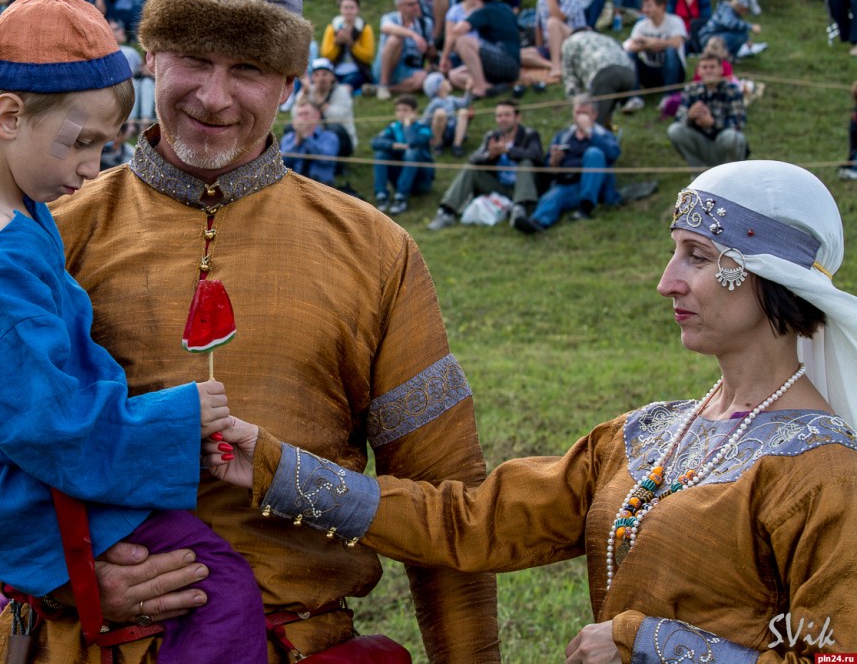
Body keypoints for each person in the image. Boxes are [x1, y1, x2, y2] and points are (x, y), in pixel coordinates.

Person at [0, 0, 500, 663]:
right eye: (193, 59)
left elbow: (448, 497)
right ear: (151, 58)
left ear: (289, 84)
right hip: (74, 642)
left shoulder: (375, 251)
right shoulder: (39, 225)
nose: (214, 96)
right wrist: (65, 572)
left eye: (247, 69)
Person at [215, 158, 857, 664]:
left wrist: (644, 642)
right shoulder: (649, 433)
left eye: (698, 255)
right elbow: (472, 524)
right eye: (674, 251)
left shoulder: (826, 473)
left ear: (764, 273)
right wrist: (284, 473)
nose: (668, 280)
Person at [0, 0, 267, 664]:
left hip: (40, 464)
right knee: (223, 588)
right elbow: (52, 425)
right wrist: (180, 421)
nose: (93, 167)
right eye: (82, 143)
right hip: (30, 487)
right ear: (9, 115)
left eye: (104, 145)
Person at [426, 99, 541, 230]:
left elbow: (536, 155)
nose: (502, 119)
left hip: (522, 188)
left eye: (507, 115)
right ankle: (446, 212)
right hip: (499, 186)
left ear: (517, 117)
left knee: (526, 162)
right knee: (472, 168)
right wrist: (490, 156)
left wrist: (508, 151)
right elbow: (474, 158)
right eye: (499, 116)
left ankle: (520, 210)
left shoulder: (529, 134)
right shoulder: (492, 136)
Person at [512, 96, 620, 232]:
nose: (580, 117)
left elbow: (613, 154)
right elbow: (548, 168)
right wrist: (554, 161)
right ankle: (536, 222)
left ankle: (585, 208)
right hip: (571, 182)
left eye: (584, 113)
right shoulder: (563, 136)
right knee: (553, 197)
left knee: (593, 153)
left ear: (594, 115)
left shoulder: (602, 134)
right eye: (577, 113)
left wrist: (590, 133)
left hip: (597, 184)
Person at [668, 51, 746, 169]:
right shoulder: (691, 90)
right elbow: (679, 118)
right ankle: (698, 173)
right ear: (699, 71)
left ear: (720, 69)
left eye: (712, 67)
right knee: (674, 130)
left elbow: (738, 124)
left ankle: (730, 173)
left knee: (733, 137)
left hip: (724, 143)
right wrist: (690, 116)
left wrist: (712, 123)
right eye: (704, 67)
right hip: (701, 142)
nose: (708, 71)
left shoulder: (732, 90)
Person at [445, 0, 521, 98]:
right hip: (508, 64)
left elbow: (458, 30)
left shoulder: (485, 11)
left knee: (463, 41)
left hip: (506, 62)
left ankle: (480, 89)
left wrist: (444, 57)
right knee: (454, 75)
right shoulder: (506, 8)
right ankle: (491, 87)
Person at [622, 0, 687, 111]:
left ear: (661, 6)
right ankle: (634, 97)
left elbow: (676, 43)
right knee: (629, 55)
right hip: (650, 71)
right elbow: (630, 46)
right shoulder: (641, 25)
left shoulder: (675, 21)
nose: (645, 9)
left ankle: (669, 95)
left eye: (649, 6)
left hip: (674, 72)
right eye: (644, 6)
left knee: (671, 51)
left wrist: (647, 41)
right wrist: (650, 44)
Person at [372, 93, 434, 214]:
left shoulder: (424, 128)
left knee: (412, 152)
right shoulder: (393, 127)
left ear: (415, 112)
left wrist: (407, 126)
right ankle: (381, 195)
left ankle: (401, 197)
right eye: (398, 110)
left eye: (405, 110)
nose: (401, 113)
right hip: (398, 176)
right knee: (381, 154)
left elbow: (412, 142)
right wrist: (392, 145)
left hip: (421, 180)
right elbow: (375, 142)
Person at [559, 27, 635, 128]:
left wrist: (577, 103)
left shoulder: (569, 42)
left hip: (605, 73)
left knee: (594, 122)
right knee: (606, 115)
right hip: (630, 74)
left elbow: (569, 78)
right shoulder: (606, 37)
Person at [371, 0, 435, 100]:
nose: (415, 7)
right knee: (395, 39)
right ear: (399, 6)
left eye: (416, 3)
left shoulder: (426, 23)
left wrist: (432, 63)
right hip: (385, 65)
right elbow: (386, 28)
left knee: (424, 79)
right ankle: (383, 83)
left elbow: (430, 49)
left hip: (410, 67)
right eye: (410, 4)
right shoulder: (390, 18)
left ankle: (385, 89)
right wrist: (413, 35)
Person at [521, 0, 585, 80]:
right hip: (550, 46)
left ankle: (556, 66)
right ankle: (551, 65)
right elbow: (539, 26)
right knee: (518, 55)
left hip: (573, 42)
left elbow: (558, 18)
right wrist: (539, 48)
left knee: (553, 22)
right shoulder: (541, 1)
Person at [290, 57, 357, 152]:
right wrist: (304, 95)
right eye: (317, 75)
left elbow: (338, 118)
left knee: (333, 128)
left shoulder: (342, 92)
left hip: (342, 138)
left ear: (332, 76)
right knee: (290, 127)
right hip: (313, 135)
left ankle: (336, 165)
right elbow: (295, 115)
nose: (321, 78)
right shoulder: (307, 90)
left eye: (325, 74)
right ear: (312, 77)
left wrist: (319, 101)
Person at [319, 0, 375, 90]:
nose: (348, 11)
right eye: (345, 8)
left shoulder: (365, 29)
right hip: (335, 70)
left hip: (357, 70)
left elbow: (368, 56)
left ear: (357, 9)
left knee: (344, 87)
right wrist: (336, 43)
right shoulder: (332, 28)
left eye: (351, 8)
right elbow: (326, 55)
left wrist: (352, 44)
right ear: (341, 9)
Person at [281, 97, 340, 185]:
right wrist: (297, 141)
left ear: (317, 115)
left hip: (321, 185)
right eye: (300, 115)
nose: (302, 118)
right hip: (295, 184)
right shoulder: (289, 138)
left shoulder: (329, 137)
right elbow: (282, 162)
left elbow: (326, 160)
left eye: (306, 114)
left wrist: (306, 138)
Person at [697, 0, 766, 60]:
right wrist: (751, 27)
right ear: (740, 6)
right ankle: (719, 55)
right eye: (746, 10)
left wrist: (747, 39)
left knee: (742, 34)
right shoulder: (726, 9)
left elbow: (738, 27)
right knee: (740, 35)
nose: (746, 13)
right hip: (709, 39)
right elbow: (729, 23)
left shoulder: (735, 14)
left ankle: (730, 56)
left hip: (718, 36)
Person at [422, 70, 471, 156]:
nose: (448, 81)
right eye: (445, 80)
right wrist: (426, 137)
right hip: (441, 132)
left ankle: (457, 145)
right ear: (438, 88)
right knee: (440, 113)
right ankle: (438, 144)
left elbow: (464, 104)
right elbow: (425, 121)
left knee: (463, 112)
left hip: (452, 129)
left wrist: (468, 91)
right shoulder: (435, 103)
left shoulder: (451, 99)